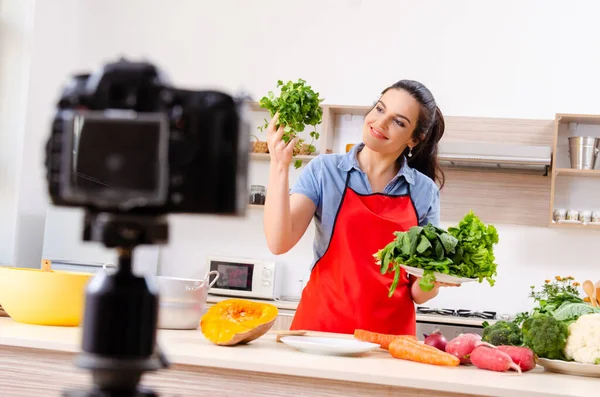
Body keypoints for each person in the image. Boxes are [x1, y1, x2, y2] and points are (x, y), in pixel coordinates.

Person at [263, 79, 457, 336]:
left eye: (399, 122)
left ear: (414, 139)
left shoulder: (423, 191)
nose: (381, 122)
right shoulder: (325, 171)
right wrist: (279, 165)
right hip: (320, 333)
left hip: (388, 342)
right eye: (379, 109)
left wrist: (435, 277)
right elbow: (279, 242)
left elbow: (418, 293)